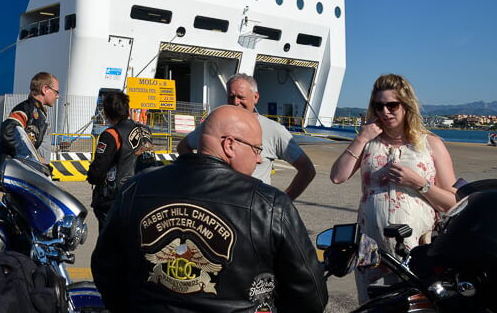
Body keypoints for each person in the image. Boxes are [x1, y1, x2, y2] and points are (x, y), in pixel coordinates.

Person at [92, 105, 327, 312]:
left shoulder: (136, 188)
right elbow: (310, 295)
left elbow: (105, 268)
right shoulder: (270, 205)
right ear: (230, 145)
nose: (259, 159)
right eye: (257, 149)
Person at [330, 74, 457, 302]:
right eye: (379, 106)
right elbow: (337, 177)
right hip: (372, 250)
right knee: (373, 305)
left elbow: (453, 203)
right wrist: (361, 138)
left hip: (416, 250)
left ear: (406, 106)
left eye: (392, 105)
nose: (385, 112)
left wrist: (419, 183)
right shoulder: (369, 143)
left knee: (415, 304)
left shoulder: (430, 144)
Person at [176, 73, 316, 200]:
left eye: (241, 97)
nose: (236, 102)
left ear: (255, 97)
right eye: (231, 97)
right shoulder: (215, 123)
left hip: (252, 210)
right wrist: (197, 175)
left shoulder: (273, 130)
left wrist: (282, 202)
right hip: (215, 206)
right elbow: (183, 147)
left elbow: (307, 169)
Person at [87, 90, 156, 231]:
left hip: (115, 199)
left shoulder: (112, 134)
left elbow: (97, 172)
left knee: (108, 242)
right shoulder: (145, 131)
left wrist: (92, 175)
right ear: (127, 109)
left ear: (107, 112)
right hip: (142, 195)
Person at [0, 72, 58, 169]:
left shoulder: (39, 112)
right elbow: (8, 132)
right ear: (45, 89)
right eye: (56, 92)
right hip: (12, 172)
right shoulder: (25, 108)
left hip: (24, 171)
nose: (57, 96)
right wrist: (33, 157)